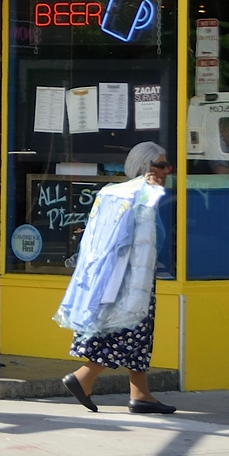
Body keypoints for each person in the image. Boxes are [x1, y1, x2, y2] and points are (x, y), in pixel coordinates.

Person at [55, 141, 179, 415]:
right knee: (124, 333)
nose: (166, 170)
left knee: (138, 336)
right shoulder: (140, 195)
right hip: (132, 279)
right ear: (144, 167)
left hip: (127, 277)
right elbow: (141, 240)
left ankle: (141, 394)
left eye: (166, 165)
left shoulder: (117, 193)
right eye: (160, 165)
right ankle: (83, 377)